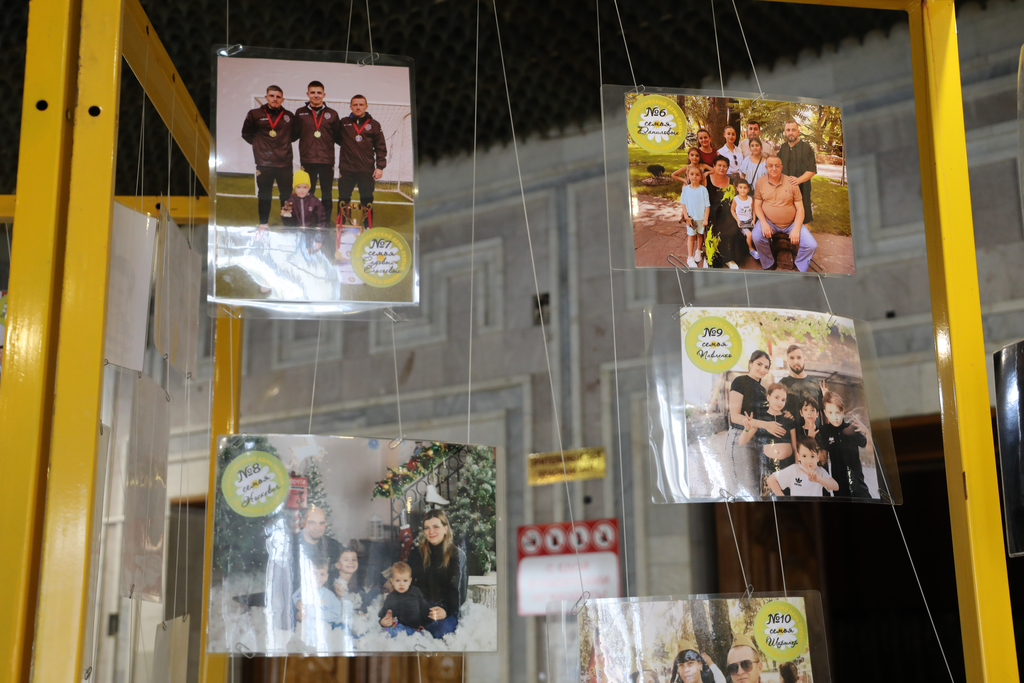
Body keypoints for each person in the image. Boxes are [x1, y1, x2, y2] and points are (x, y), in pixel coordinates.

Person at [241, 85, 298, 228]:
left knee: (286, 196)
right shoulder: (254, 114)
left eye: (278, 96)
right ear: (266, 97)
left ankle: (287, 224)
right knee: (264, 194)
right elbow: (246, 134)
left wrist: (281, 145)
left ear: (282, 99)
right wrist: (260, 147)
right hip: (264, 163)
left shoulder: (289, 116)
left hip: (285, 163)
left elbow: (294, 135)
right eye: (272, 96)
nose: (275, 99)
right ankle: (263, 224)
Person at [407, 510, 467, 638]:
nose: (431, 532)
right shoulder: (416, 553)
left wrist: (445, 610)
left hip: (447, 608)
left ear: (445, 528)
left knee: (441, 630)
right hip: (422, 606)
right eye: (427, 528)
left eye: (436, 527)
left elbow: (459, 591)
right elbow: (410, 584)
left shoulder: (457, 555)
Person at [725, 350, 778, 497]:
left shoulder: (762, 390)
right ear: (750, 363)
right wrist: (765, 425)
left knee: (754, 489)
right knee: (744, 490)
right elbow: (735, 416)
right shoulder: (739, 382)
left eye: (766, 367)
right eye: (759, 364)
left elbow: (765, 416)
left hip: (756, 440)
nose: (762, 369)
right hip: (740, 438)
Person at [752, 156, 818, 272]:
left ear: (781, 168)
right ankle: (768, 263)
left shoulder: (791, 182)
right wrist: (763, 223)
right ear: (766, 167)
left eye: (777, 166)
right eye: (770, 165)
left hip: (791, 224)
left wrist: (796, 228)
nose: (774, 168)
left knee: (811, 244)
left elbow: (800, 209)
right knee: (756, 237)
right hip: (769, 222)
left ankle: (800, 266)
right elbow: (757, 205)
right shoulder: (760, 182)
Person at [336, 94, 388, 230]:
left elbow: (380, 146)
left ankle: (367, 226)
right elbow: (337, 138)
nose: (358, 107)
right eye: (355, 105)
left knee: (367, 198)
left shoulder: (374, 125)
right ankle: (340, 225)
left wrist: (380, 167)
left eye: (361, 105)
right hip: (347, 169)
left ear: (366, 106)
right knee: (343, 198)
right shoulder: (343, 123)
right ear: (350, 107)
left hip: (366, 169)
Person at [294, 81, 342, 224]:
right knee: (308, 192)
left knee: (327, 193)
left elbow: (339, 137)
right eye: (313, 92)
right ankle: (309, 220)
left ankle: (325, 222)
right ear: (308, 94)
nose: (316, 95)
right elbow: (293, 134)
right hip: (307, 160)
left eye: (319, 93)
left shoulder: (332, 114)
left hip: (327, 160)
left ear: (324, 95)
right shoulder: (300, 113)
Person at [738, 382, 796, 495]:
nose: (780, 402)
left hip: (787, 466)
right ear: (768, 397)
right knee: (769, 500)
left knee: (788, 499)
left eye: (783, 400)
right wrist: (746, 429)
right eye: (776, 397)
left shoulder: (789, 419)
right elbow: (742, 442)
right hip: (768, 468)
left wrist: (797, 466)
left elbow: (795, 446)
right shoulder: (760, 419)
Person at [818, 390, 872, 498]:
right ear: (825, 413)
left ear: (842, 412)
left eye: (837, 412)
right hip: (839, 486)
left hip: (858, 486)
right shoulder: (824, 431)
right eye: (830, 413)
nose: (835, 417)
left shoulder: (852, 428)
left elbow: (871, 449)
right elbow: (823, 460)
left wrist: (867, 432)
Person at [767, 436, 839, 497]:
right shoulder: (794, 469)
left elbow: (836, 486)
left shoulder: (820, 471)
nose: (809, 461)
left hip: (815, 508)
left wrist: (818, 479)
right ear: (798, 456)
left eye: (812, 456)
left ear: (818, 457)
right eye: (804, 456)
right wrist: (784, 501)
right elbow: (771, 480)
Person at [776, 120, 817, 224]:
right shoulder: (783, 148)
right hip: (785, 191)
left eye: (793, 130)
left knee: (803, 221)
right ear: (785, 132)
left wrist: (798, 180)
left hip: (802, 189)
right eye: (788, 130)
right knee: (786, 220)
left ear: (798, 132)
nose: (791, 132)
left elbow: (812, 170)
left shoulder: (806, 148)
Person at [378, 561, 432, 635]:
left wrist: (430, 616)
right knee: (394, 632)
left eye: (405, 581)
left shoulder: (415, 592)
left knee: (421, 636)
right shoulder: (390, 597)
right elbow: (382, 614)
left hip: (414, 629)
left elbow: (425, 608)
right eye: (397, 580)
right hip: (399, 629)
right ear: (392, 581)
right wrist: (383, 622)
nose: (401, 584)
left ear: (410, 581)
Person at [281, 170, 328, 253]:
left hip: (311, 235)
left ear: (309, 188)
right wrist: (285, 216)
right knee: (293, 253)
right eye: (298, 187)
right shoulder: (290, 202)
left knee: (308, 254)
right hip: (295, 234)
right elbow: (288, 225)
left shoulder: (315, 201)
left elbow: (322, 221)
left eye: (305, 187)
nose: (302, 190)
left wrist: (318, 239)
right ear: (294, 187)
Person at [706, 155, 740, 267]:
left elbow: (735, 199)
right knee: (714, 230)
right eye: (719, 165)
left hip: (727, 213)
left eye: (725, 166)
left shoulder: (731, 181)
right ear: (714, 166)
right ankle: (711, 257)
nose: (722, 168)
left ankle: (728, 258)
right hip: (711, 213)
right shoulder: (706, 179)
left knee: (732, 228)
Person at [292, 555, 343, 628]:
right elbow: (295, 599)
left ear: (326, 577)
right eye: (314, 573)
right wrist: (299, 603)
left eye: (322, 574)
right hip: (307, 623)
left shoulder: (329, 595)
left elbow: (336, 614)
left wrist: (315, 614)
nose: (318, 577)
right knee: (300, 615)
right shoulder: (303, 590)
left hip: (326, 625)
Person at [678, 166, 710, 268]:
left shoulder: (703, 190)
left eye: (697, 175)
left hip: (701, 218)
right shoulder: (686, 190)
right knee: (691, 237)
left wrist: (706, 218)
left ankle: (699, 251)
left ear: (701, 177)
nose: (694, 176)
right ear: (688, 176)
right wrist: (686, 217)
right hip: (691, 219)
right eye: (692, 174)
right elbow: (683, 203)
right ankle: (690, 258)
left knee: (700, 235)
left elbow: (707, 205)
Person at [780, 345, 823, 419]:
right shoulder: (782, 384)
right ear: (788, 361)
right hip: (792, 426)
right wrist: (782, 414)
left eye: (799, 357)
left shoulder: (816, 382)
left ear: (804, 359)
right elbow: (776, 408)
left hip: (814, 426)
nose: (796, 361)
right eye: (792, 358)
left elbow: (824, 410)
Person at [331, 545, 376, 613]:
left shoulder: (357, 584)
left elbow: (363, 603)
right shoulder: (332, 583)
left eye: (354, 559)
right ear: (338, 565)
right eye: (346, 560)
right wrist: (338, 596)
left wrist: (362, 612)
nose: (351, 562)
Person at [731, 179, 759, 261]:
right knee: (749, 235)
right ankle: (751, 249)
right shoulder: (736, 199)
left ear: (748, 190)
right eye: (740, 187)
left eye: (745, 188)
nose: (743, 190)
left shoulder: (750, 199)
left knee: (756, 234)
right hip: (742, 223)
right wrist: (737, 220)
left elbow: (754, 210)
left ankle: (759, 249)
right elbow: (732, 210)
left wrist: (754, 219)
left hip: (750, 221)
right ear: (737, 189)